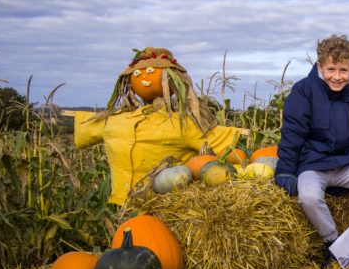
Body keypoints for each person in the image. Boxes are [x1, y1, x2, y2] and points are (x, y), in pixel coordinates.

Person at [275, 35, 349, 269]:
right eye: (331, 69)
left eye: (343, 70)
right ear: (320, 66)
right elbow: (293, 133)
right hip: (312, 164)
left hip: (348, 161)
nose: (337, 76)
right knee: (308, 196)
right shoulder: (304, 91)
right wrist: (286, 171)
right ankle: (333, 242)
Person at [74, 47, 243, 205]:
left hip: (162, 206)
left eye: (150, 72)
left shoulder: (183, 124)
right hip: (119, 204)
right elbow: (87, 128)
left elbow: (225, 145)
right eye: (138, 73)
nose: (145, 79)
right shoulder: (115, 120)